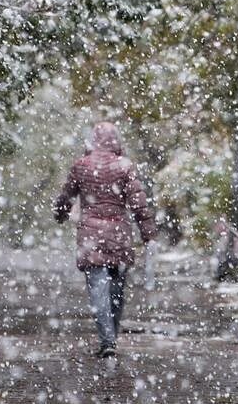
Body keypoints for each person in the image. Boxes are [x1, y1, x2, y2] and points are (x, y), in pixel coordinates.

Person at [54, 121, 157, 358]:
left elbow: (66, 195)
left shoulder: (81, 166)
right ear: (116, 141)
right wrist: (148, 233)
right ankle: (112, 334)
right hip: (118, 236)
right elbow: (138, 204)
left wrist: (60, 213)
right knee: (117, 291)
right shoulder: (125, 166)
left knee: (98, 290)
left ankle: (107, 340)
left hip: (90, 236)